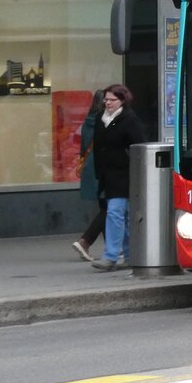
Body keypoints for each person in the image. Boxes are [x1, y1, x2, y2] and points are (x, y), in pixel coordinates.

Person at [91, 84, 146, 271]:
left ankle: (110, 256)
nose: (108, 103)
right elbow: (98, 148)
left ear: (122, 101)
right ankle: (130, 255)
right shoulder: (101, 119)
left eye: (112, 100)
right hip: (108, 175)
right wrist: (99, 173)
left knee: (115, 213)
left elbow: (139, 146)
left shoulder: (129, 120)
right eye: (106, 99)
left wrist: (138, 173)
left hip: (125, 174)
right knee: (123, 216)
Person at [70, 90, 106, 261]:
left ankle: (112, 247)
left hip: (90, 167)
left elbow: (83, 147)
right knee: (109, 208)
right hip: (101, 166)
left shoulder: (88, 121)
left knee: (105, 206)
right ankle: (85, 241)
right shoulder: (104, 122)